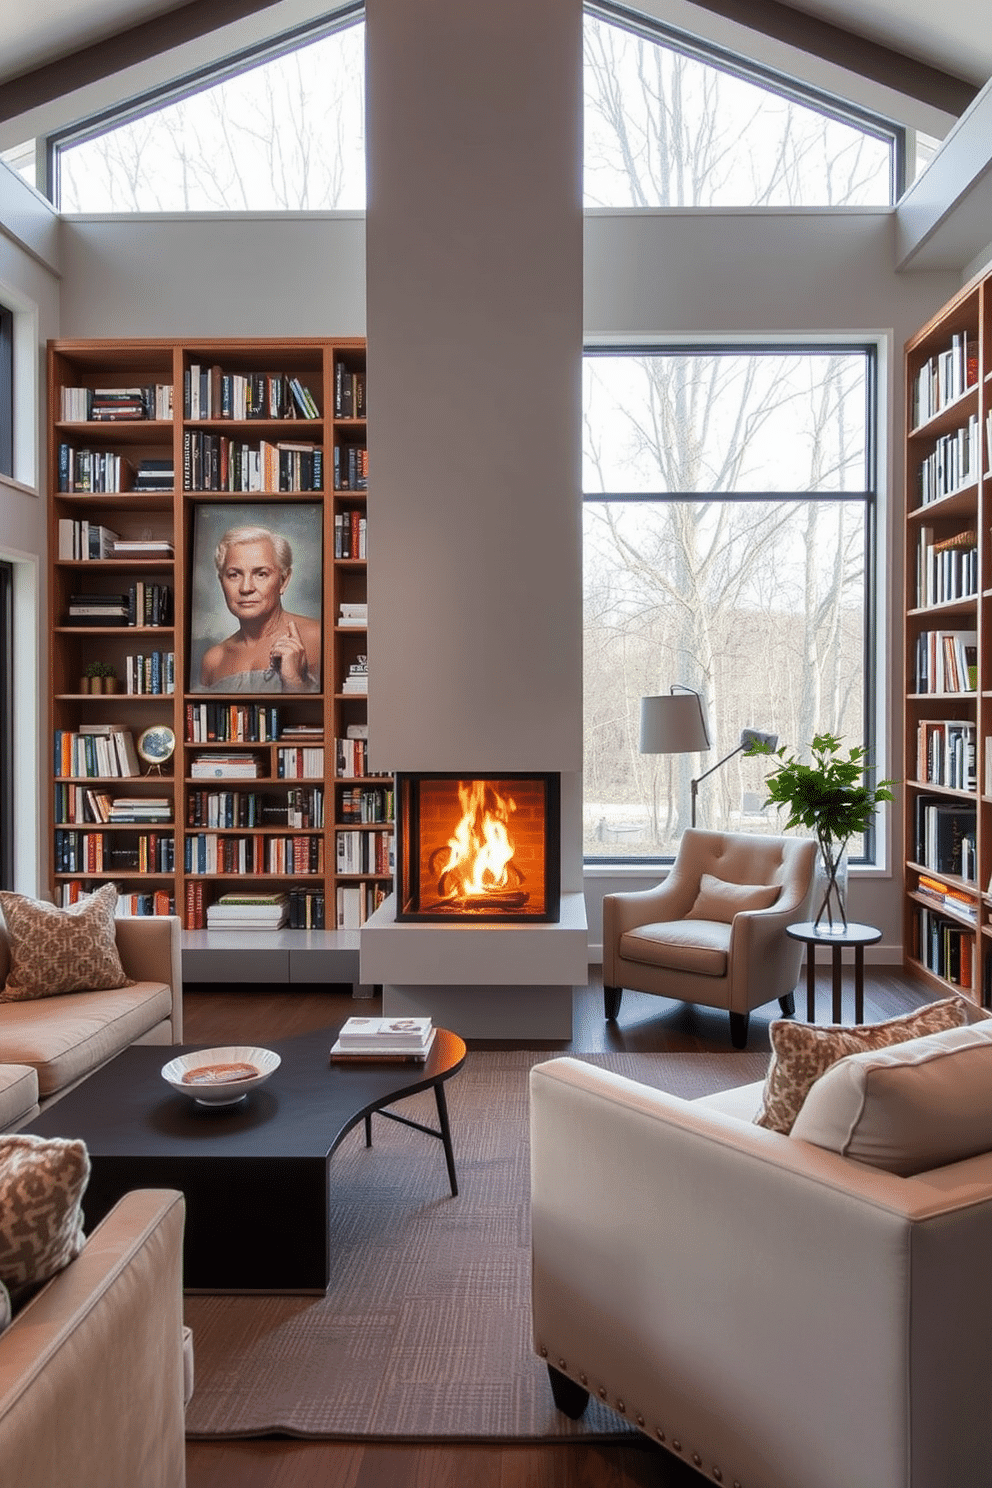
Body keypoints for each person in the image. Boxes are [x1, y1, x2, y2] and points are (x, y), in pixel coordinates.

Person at [198, 525, 321, 693]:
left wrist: (294, 683)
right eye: (234, 575)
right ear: (221, 581)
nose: (246, 587)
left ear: (284, 581)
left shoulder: (318, 638)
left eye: (261, 574)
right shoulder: (214, 660)